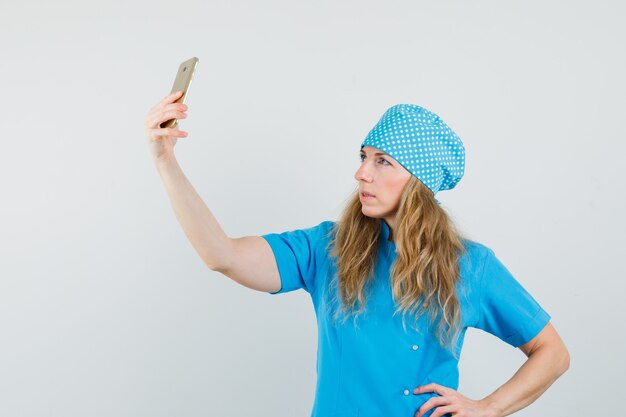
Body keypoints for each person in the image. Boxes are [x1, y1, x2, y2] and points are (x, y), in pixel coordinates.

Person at [144, 92, 570, 417]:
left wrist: (487, 407)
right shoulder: (327, 248)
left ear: (419, 182)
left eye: (383, 161)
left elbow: (552, 352)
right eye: (364, 157)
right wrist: (166, 164)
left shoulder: (471, 266)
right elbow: (223, 255)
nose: (361, 172)